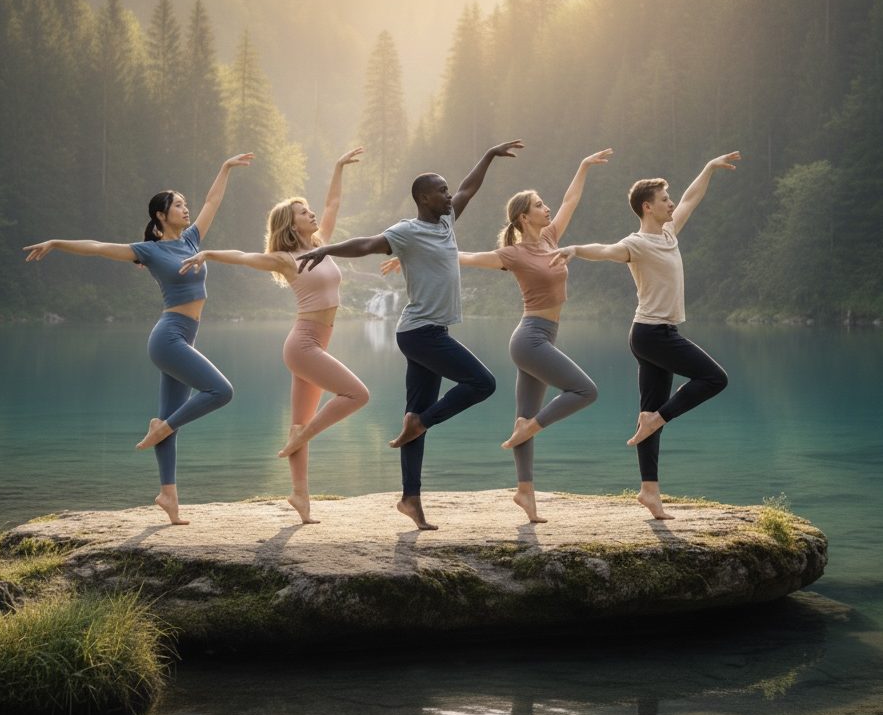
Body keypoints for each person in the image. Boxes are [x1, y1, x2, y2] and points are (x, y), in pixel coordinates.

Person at [298, 139, 524, 530]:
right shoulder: (407, 232)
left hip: (428, 332)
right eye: (441, 190)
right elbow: (368, 243)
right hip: (420, 334)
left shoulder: (448, 219)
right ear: (423, 197)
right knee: (482, 382)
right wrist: (328, 248)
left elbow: (470, 187)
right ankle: (421, 424)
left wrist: (487, 155)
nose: (449, 194)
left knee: (414, 415)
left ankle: (410, 498)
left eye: (447, 189)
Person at [23, 152, 254, 525]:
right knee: (221, 392)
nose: (186, 208)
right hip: (169, 339)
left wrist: (225, 168)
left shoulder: (194, 240)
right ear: (161, 215)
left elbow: (212, 201)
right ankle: (161, 428)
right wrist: (56, 242)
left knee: (170, 415)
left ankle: (168, 496)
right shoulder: (149, 250)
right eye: (178, 205)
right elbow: (98, 247)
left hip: (184, 339)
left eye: (184, 203)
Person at [178, 149, 369, 524]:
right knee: (357, 395)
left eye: (309, 210)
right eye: (303, 212)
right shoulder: (284, 258)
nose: (312, 214)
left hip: (315, 343)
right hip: (303, 345)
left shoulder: (323, 243)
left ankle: (300, 496)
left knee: (299, 422)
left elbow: (332, 203)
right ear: (290, 223)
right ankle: (301, 440)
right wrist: (209, 254)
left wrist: (336, 166)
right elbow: (245, 256)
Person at [555, 152, 740, 520]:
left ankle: (649, 491)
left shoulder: (669, 233)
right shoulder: (636, 244)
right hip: (652, 335)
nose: (671, 203)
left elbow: (691, 198)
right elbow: (606, 251)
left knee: (647, 412)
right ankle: (660, 420)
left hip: (656, 334)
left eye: (669, 198)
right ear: (647, 207)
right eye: (663, 200)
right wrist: (575, 249)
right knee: (714, 378)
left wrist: (707, 168)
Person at [455, 149, 612, 523]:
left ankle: (525, 493)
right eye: (540, 205)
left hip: (545, 337)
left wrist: (583, 165)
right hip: (530, 340)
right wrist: (421, 252)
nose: (547, 209)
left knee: (523, 416)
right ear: (524, 216)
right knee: (585, 391)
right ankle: (532, 428)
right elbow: (468, 257)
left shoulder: (551, 238)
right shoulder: (514, 253)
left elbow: (571, 200)